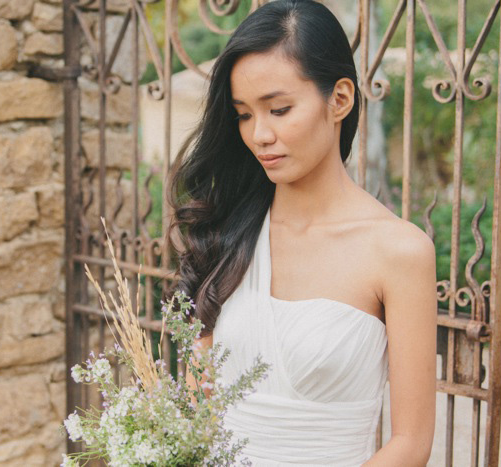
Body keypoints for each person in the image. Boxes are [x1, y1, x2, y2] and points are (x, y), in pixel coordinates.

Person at [168, 0, 436, 465]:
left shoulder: (399, 251)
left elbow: (410, 443)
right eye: (245, 115)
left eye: (279, 109)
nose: (259, 136)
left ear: (340, 99)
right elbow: (194, 410)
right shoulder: (229, 233)